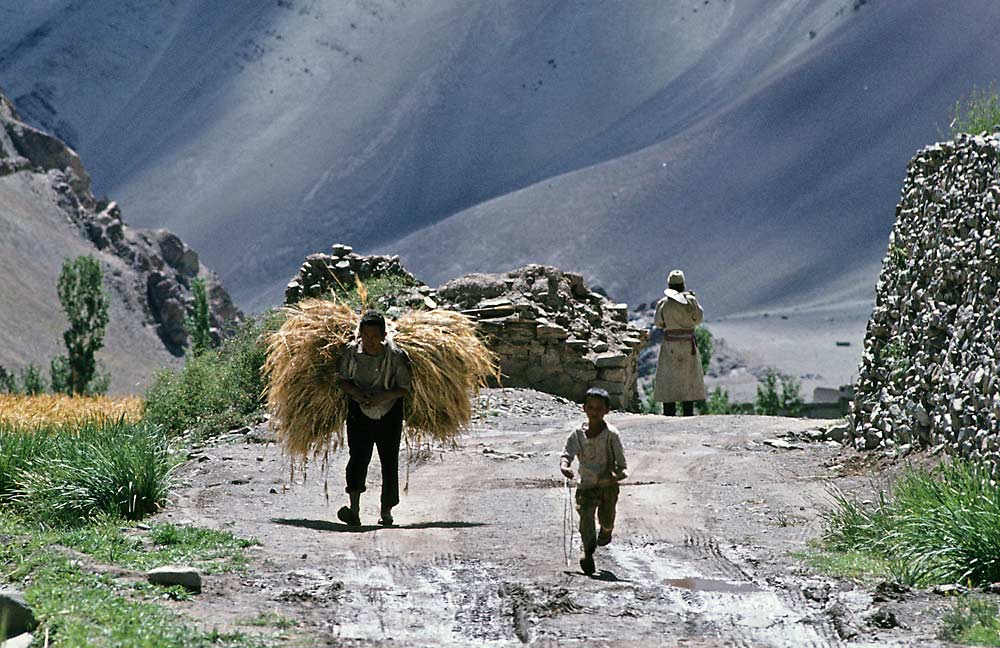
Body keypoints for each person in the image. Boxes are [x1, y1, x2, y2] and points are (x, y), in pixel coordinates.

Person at [336, 310, 412, 527]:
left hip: (390, 412)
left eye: (374, 336)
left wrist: (382, 397)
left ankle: (386, 511)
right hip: (359, 411)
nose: (370, 341)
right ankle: (354, 510)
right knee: (358, 457)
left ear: (383, 334)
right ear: (359, 333)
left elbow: (404, 388)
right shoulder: (351, 353)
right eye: (365, 336)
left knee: (389, 460)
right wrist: (358, 395)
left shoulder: (396, 356)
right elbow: (342, 380)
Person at [559, 387, 628, 576]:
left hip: (608, 488)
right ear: (584, 408)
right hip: (586, 485)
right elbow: (567, 454)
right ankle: (587, 553)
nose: (594, 411)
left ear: (607, 410)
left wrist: (612, 478)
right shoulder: (577, 434)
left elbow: (623, 468)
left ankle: (607, 529)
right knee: (586, 519)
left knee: (605, 518)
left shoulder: (612, 435)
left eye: (599, 408)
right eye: (591, 407)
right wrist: (565, 467)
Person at [653, 269, 706, 416]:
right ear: (683, 285)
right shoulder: (691, 301)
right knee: (688, 378)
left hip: (670, 344)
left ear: (669, 285)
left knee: (669, 378)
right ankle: (687, 413)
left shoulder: (663, 303)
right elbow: (699, 318)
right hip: (688, 345)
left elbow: (658, 323)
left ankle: (669, 413)